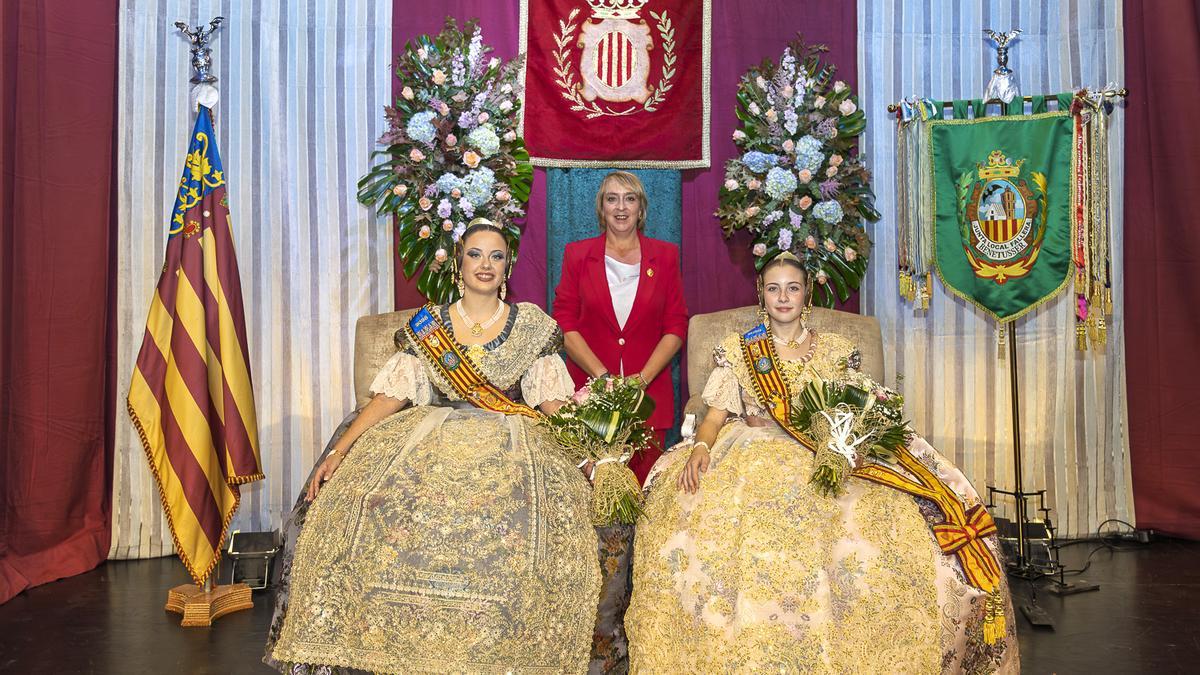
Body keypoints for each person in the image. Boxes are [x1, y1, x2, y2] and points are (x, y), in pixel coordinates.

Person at [625, 252, 1019, 673]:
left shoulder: (835, 350)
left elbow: (853, 412)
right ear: (761, 293)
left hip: (819, 452)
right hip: (749, 448)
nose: (783, 297)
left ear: (805, 294)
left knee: (883, 523)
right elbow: (715, 417)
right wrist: (702, 447)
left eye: (792, 288)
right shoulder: (739, 350)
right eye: (773, 288)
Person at [265, 220, 600, 673]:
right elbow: (390, 397)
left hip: (513, 440)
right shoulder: (429, 325)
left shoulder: (531, 325)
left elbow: (551, 402)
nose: (486, 264)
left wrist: (590, 455)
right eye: (476, 254)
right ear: (459, 263)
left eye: (496, 256)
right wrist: (338, 452)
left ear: (509, 266)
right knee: (361, 502)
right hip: (427, 435)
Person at [552, 170, 688, 672]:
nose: (622, 207)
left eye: (630, 199)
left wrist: (640, 381)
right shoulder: (576, 256)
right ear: (600, 208)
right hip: (590, 405)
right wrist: (605, 378)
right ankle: (597, 628)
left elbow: (676, 325)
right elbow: (563, 322)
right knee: (597, 517)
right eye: (612, 199)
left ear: (642, 208)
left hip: (649, 408)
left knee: (644, 516)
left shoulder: (666, 258)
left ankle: (645, 628)